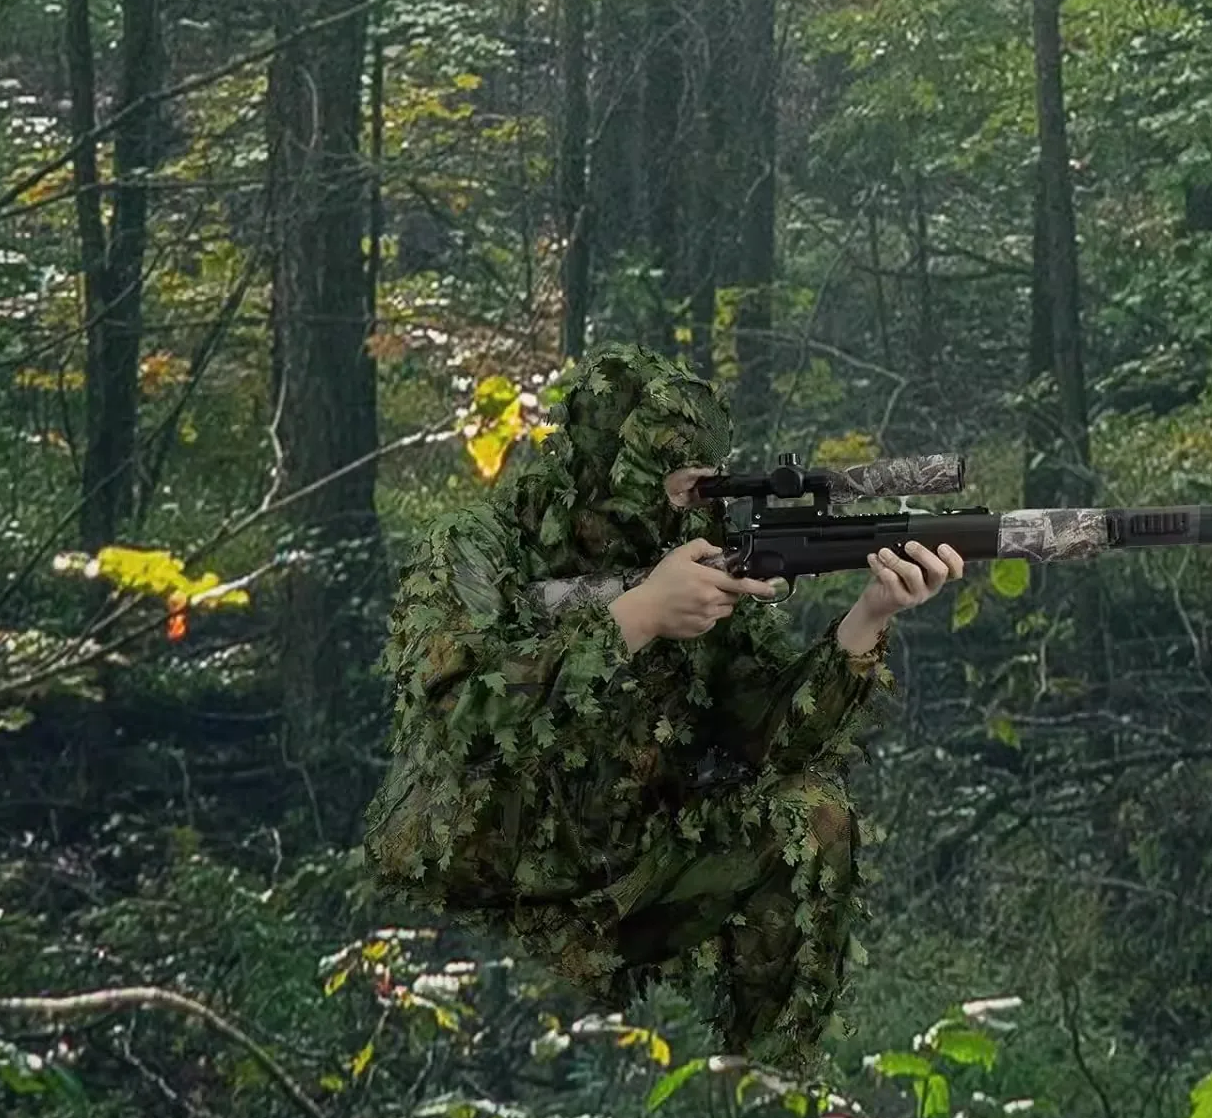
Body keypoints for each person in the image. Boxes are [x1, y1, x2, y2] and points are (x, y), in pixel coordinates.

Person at [365, 344, 962, 1069]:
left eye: (702, 490)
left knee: (811, 814)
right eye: (674, 489)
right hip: (481, 876)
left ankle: (767, 1086)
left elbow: (766, 741)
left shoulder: (694, 555)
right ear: (609, 467)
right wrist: (636, 617)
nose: (688, 509)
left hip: (627, 871)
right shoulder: (475, 548)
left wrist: (866, 620)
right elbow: (462, 713)